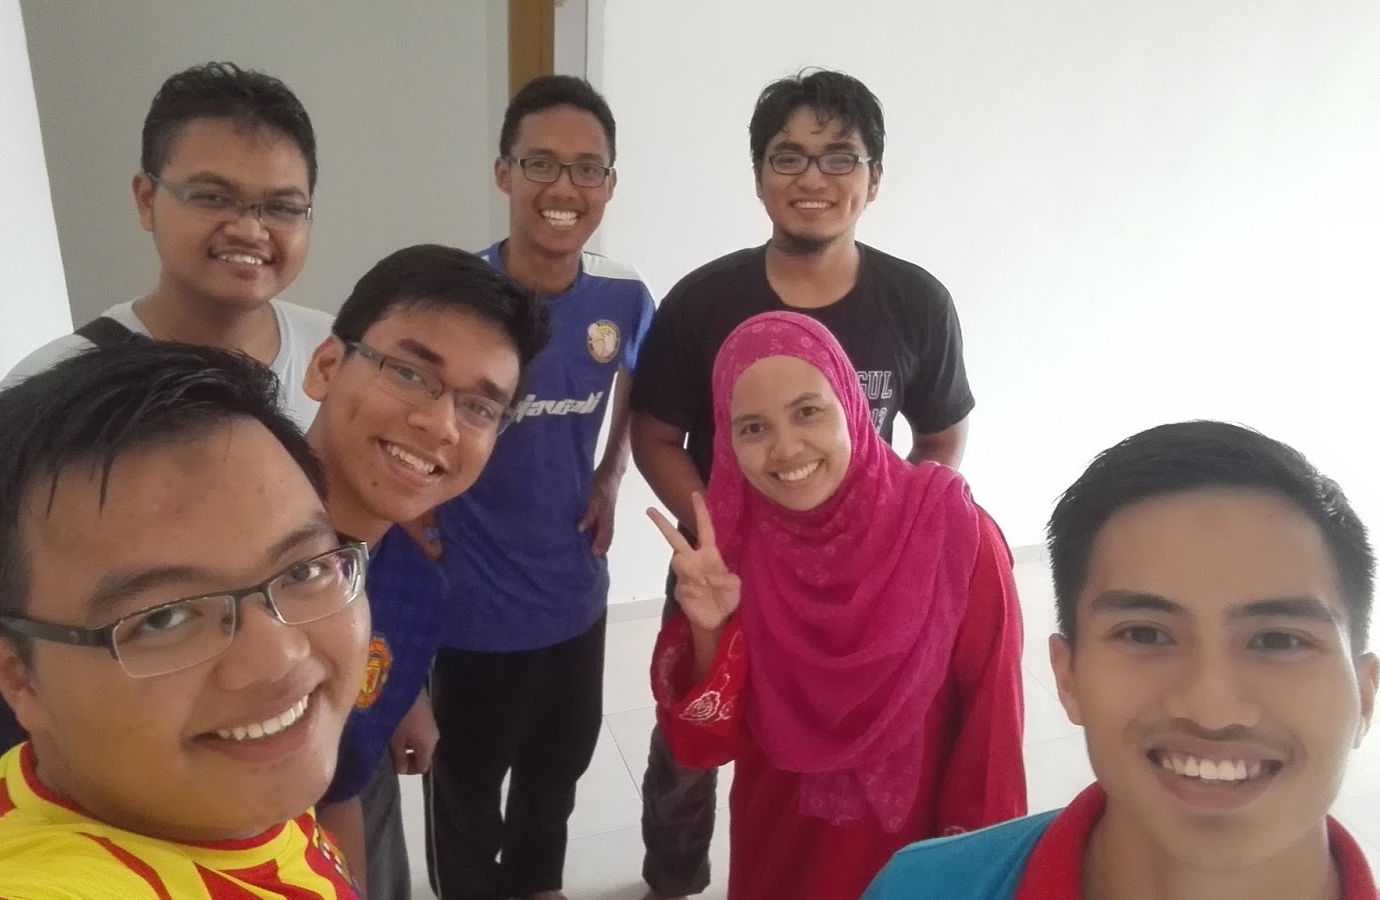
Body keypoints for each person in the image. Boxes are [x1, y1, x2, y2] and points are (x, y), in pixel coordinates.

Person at [0, 245, 550, 900]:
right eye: (168, 617)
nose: (439, 424)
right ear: (325, 365)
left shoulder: (413, 593)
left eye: (480, 407)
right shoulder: (79, 536)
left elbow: (332, 785)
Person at [629, 68, 976, 898]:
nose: (812, 178)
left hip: (859, 591)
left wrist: (902, 537)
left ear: (873, 179)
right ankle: (672, 876)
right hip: (725, 574)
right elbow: (655, 436)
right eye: (788, 157)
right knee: (688, 750)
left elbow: (940, 434)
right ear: (758, 178)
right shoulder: (703, 301)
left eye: (839, 158)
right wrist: (720, 531)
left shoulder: (916, 302)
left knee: (826, 744)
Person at [0, 341, 371, 897]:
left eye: (304, 571)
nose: (278, 658)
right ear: (18, 676)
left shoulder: (209, 787)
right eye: (165, 618)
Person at [864, 421, 1380, 900]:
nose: (1213, 710)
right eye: (1146, 634)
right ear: (1067, 676)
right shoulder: (918, 888)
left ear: (1364, 694)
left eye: (1278, 641)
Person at [645, 312, 1026, 900]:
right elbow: (703, 746)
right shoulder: (731, 553)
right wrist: (708, 632)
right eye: (753, 427)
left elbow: (991, 733)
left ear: (851, 404)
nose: (785, 448)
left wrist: (977, 869)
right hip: (779, 848)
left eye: (807, 411)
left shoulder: (953, 534)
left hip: (914, 859)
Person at [425, 75, 654, 900]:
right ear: (504, 173)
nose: (564, 187)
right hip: (469, 604)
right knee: (467, 790)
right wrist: (408, 514)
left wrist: (612, 473)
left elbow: (640, 379)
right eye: (541, 164)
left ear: (610, 184)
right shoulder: (456, 299)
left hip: (573, 591)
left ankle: (537, 884)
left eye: (587, 169)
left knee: (558, 769)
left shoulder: (622, 295)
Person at [5, 60, 333, 430]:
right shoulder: (50, 392)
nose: (249, 231)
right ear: (146, 201)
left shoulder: (339, 357)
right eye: (213, 198)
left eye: (282, 208)